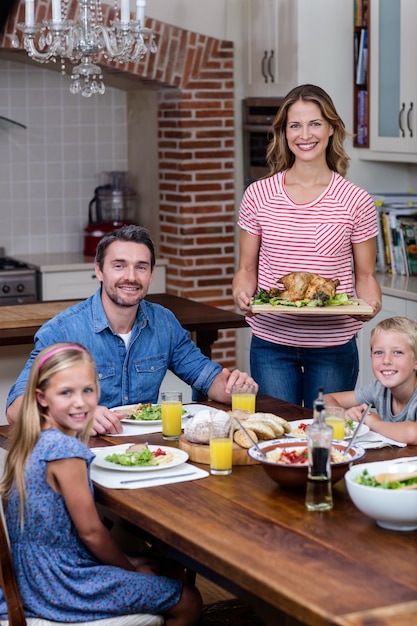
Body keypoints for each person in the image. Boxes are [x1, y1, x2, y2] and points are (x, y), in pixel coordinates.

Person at [0, 342, 202, 624]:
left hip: (35, 574)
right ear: (42, 397)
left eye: (88, 390)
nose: (80, 402)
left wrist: (128, 562)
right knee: (189, 600)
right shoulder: (64, 451)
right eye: (66, 393)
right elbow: (92, 533)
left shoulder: (33, 439)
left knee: (163, 565)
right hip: (62, 584)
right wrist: (128, 569)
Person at [6, 224, 257, 435]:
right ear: (99, 271)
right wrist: (78, 416)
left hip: (149, 453)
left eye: (140, 267)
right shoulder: (63, 331)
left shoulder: (164, 323)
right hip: (83, 455)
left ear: (150, 275)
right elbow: (16, 410)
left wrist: (234, 387)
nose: (131, 277)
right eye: (119, 265)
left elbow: (204, 375)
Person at [232, 83, 382, 409]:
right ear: (284, 133)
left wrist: (370, 300)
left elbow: (366, 275)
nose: (305, 134)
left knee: (326, 436)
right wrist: (242, 292)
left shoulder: (355, 200)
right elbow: (246, 269)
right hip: (272, 341)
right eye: (295, 125)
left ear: (331, 128)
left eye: (315, 123)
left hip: (333, 344)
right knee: (279, 434)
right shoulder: (258, 195)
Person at [323, 317, 417, 445]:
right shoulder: (378, 389)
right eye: (379, 352)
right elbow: (325, 399)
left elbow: (412, 434)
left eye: (397, 352)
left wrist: (373, 422)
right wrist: (345, 415)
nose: (386, 360)